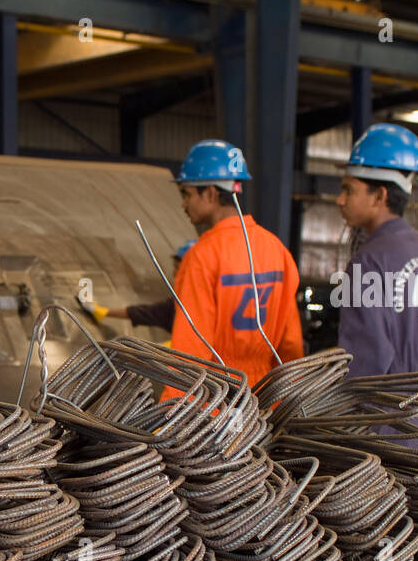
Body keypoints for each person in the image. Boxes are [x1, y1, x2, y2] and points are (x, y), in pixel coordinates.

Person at [126, 140, 303, 385]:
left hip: (217, 397)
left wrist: (175, 411)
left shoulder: (202, 256)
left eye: (186, 194)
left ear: (210, 193)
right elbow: (291, 342)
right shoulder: (277, 249)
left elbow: (190, 351)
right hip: (264, 396)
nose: (183, 204)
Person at [335, 123, 418, 378]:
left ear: (379, 196)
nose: (340, 200)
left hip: (381, 413)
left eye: (348, 190)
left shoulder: (367, 262)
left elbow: (367, 360)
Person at [87, 240, 194, 332]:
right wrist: (104, 312)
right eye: (175, 267)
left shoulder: (202, 303)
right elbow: (148, 313)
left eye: (179, 268)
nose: (175, 273)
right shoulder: (177, 304)